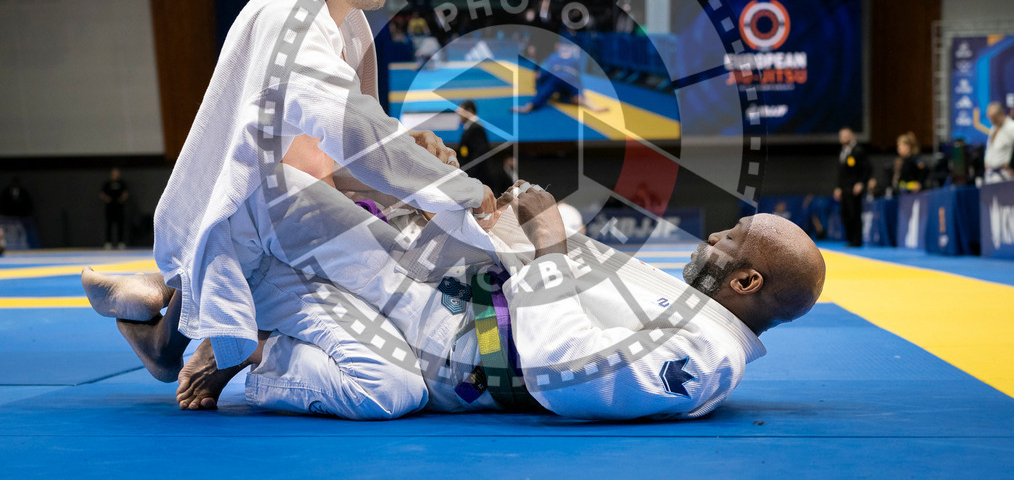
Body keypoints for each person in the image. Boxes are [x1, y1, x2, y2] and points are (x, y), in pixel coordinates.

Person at [83, 0, 497, 403]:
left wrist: (409, 159)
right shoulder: (287, 18)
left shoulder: (348, 26)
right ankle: (189, 313)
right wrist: (461, 191)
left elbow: (347, 155)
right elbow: (354, 138)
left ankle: (165, 319)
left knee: (410, 283)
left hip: (281, 214)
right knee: (397, 331)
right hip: (252, 224)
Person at [88, 175, 825, 420]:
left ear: (749, 281)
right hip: (459, 301)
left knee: (380, 381)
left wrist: (551, 243)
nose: (714, 236)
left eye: (730, 237)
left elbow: (569, 370)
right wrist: (528, 220)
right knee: (314, 219)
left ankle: (201, 327)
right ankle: (193, 320)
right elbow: (575, 273)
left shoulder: (704, 357)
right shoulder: (691, 306)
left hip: (458, 341)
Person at [512, 40, 607, 114]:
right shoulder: (574, 59)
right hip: (571, 80)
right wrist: (580, 92)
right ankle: (591, 105)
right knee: (573, 97)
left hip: (556, 77)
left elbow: (545, 73)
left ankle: (529, 106)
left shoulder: (553, 57)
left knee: (548, 87)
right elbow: (577, 77)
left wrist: (538, 86)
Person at [833, 127, 871, 247]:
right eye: (841, 136)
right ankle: (850, 239)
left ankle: (856, 241)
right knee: (846, 214)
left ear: (852, 136)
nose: (843, 138)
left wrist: (861, 183)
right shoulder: (843, 151)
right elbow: (841, 172)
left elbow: (867, 168)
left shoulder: (858, 151)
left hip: (854, 189)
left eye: (845, 136)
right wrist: (838, 187)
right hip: (844, 189)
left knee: (855, 214)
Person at [868, 132, 927, 196]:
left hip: (914, 194)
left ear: (907, 146)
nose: (898, 149)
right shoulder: (903, 160)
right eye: (897, 146)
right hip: (904, 192)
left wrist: (919, 183)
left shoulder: (914, 159)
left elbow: (924, 170)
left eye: (900, 146)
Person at [456, 100, 496, 188]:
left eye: (461, 112)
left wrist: (467, 175)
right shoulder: (470, 128)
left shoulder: (476, 128)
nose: (459, 115)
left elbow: (479, 154)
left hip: (479, 179)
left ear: (469, 111)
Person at [983, 102, 1014, 183]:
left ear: (1001, 114)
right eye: (990, 118)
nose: (992, 121)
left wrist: (1012, 166)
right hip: (990, 174)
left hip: (1005, 175)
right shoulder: (993, 129)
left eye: (994, 118)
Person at [99, 168, 129, 249]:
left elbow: (125, 193)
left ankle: (120, 242)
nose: (115, 175)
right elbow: (102, 193)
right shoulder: (107, 183)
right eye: (114, 173)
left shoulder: (121, 183)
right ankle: (108, 242)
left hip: (119, 206)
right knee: (109, 225)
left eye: (117, 173)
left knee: (120, 225)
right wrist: (107, 199)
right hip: (110, 207)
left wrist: (121, 199)